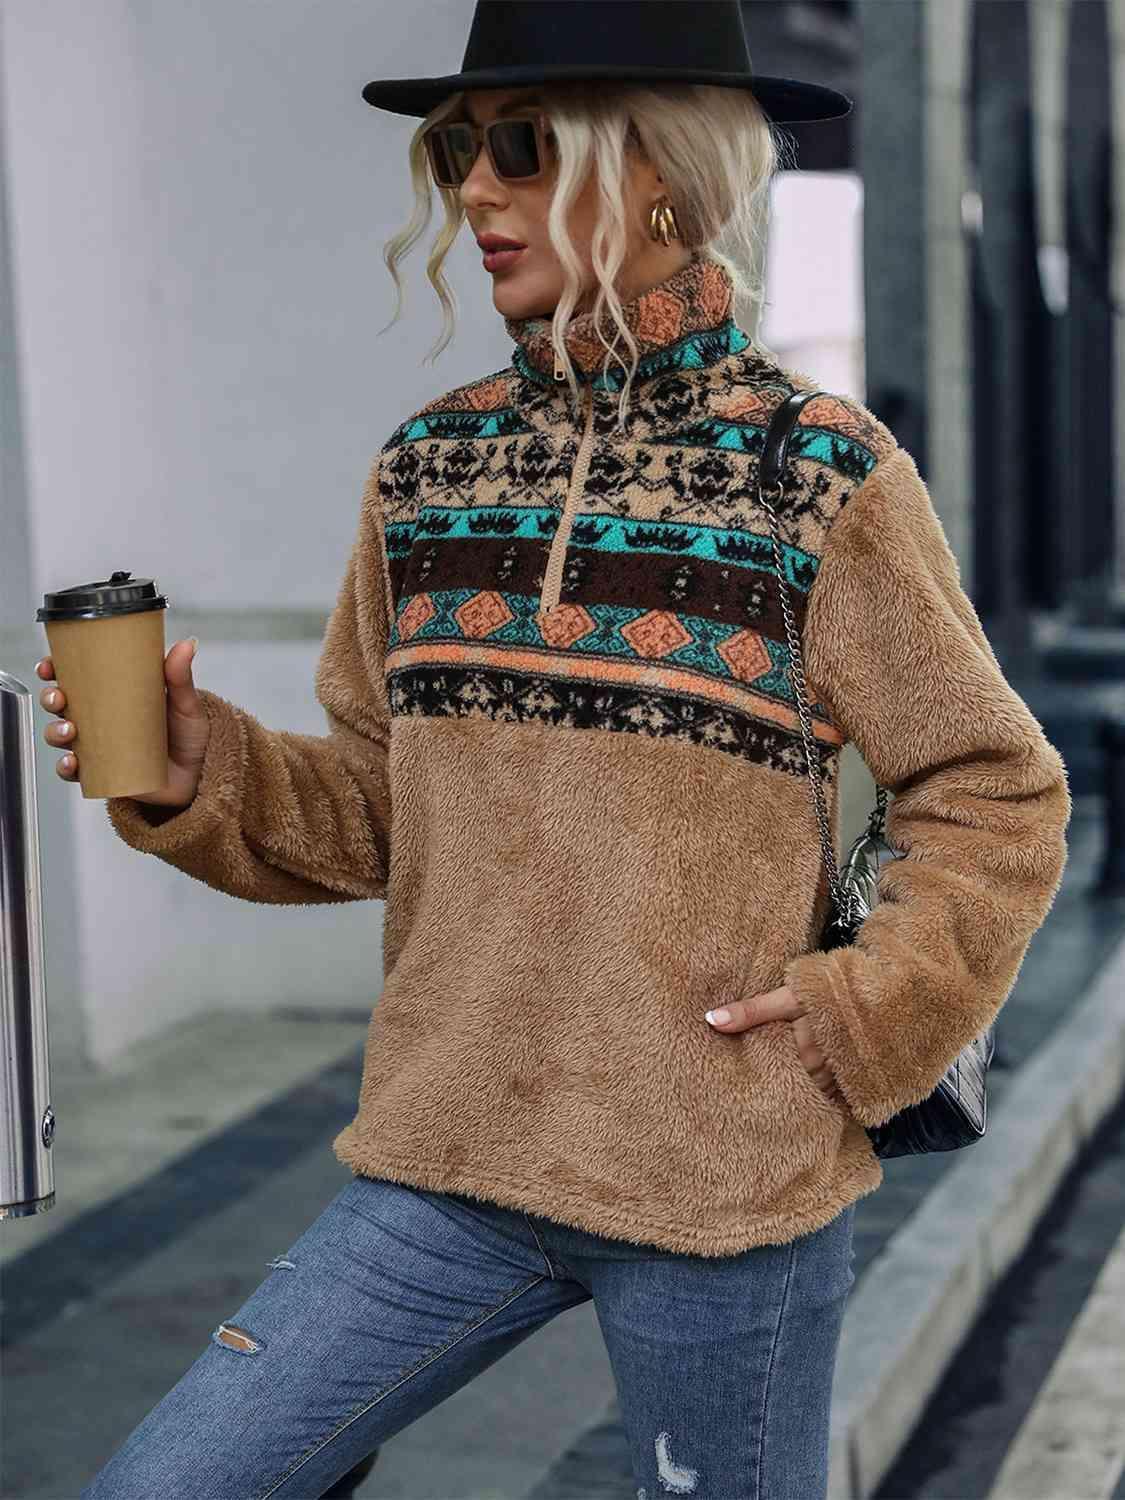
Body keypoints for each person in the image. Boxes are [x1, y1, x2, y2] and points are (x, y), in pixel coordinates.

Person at [43, 3, 1071, 1496]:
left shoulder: (816, 473)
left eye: (518, 147)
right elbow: (374, 806)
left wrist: (856, 1017)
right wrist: (206, 770)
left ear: (659, 171)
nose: (471, 190)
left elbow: (991, 787)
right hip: (445, 1156)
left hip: (723, 1187)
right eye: (459, 148)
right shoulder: (428, 467)